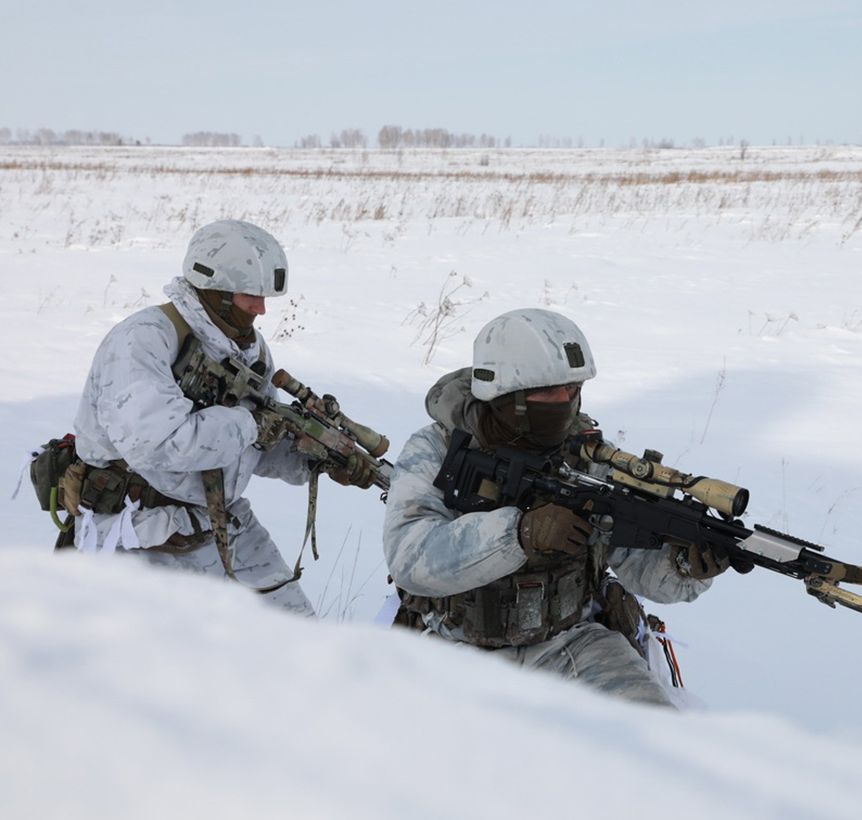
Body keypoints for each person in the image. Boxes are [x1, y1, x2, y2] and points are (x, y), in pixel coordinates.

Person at [383, 308, 729, 706]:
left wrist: (684, 567)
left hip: (571, 645)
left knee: (652, 731)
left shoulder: (587, 453)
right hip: (455, 648)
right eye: (549, 392)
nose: (565, 402)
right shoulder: (437, 449)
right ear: (506, 395)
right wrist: (519, 534)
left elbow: (638, 566)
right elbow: (408, 558)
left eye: (573, 389)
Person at [71, 219, 334, 614]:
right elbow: (161, 444)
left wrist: (313, 455)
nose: (261, 309)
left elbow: (256, 446)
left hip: (222, 522)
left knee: (299, 634)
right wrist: (250, 424)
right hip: (142, 531)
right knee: (176, 652)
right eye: (251, 296)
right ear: (216, 289)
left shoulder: (248, 348)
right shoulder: (143, 339)